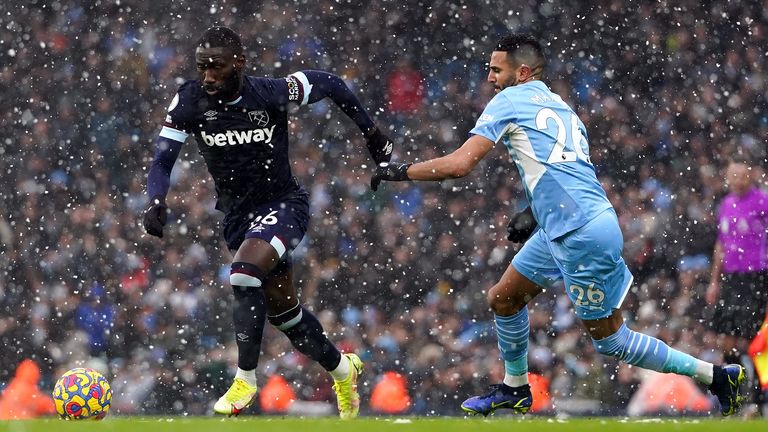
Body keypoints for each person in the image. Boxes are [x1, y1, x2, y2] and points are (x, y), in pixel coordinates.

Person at [371, 33, 746, 417]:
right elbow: (567, 173)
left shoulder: (509, 100)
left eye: (495, 70)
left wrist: (400, 171)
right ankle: (515, 387)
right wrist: (532, 213)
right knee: (503, 297)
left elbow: (460, 165)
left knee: (611, 341)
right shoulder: (563, 108)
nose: (489, 78)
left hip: (578, 232)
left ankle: (716, 375)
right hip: (575, 223)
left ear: (521, 72)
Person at [142, 26, 394, 418]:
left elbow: (331, 84)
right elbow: (162, 159)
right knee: (285, 315)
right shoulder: (189, 99)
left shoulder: (272, 92)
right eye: (202, 66)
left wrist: (372, 133)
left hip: (283, 205)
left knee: (243, 274)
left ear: (238, 64)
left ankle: (245, 378)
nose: (208, 75)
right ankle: (343, 370)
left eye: (217, 67)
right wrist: (156, 200)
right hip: (238, 218)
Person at [705, 154, 768, 412]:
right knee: (726, 340)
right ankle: (733, 398)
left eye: (741, 176)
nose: (737, 181)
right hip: (731, 279)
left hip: (757, 276)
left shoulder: (763, 202)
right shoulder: (726, 204)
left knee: (755, 340)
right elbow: (721, 244)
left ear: (751, 175)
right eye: (732, 176)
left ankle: (757, 399)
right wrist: (714, 281)